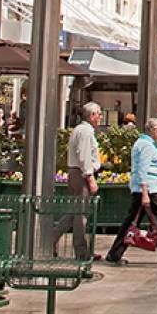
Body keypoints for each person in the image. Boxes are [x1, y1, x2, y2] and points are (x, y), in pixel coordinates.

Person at [103, 117, 157, 266]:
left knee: (132, 221)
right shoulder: (147, 146)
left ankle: (115, 254)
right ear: (151, 130)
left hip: (146, 188)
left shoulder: (145, 144)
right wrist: (145, 192)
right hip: (148, 190)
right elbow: (142, 170)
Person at [53, 101, 102, 257]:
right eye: (99, 114)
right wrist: (90, 177)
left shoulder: (82, 130)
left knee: (74, 212)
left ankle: (51, 239)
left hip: (77, 174)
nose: (101, 117)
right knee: (81, 213)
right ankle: (81, 251)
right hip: (81, 175)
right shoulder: (85, 132)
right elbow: (84, 156)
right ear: (92, 115)